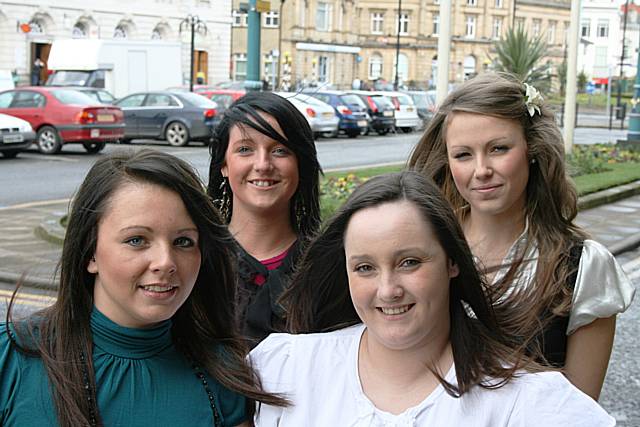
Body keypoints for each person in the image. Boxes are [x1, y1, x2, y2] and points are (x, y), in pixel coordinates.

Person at [250, 171, 614, 426]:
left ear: (452, 262)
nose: (388, 289)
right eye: (364, 268)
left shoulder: (528, 400)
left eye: (409, 262)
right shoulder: (284, 369)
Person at [1, 149, 286, 427]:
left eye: (183, 242)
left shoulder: (223, 374)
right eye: (137, 240)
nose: (165, 262)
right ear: (91, 253)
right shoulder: (11, 357)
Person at [408, 72, 635, 400]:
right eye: (463, 154)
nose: (481, 169)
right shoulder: (426, 247)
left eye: (498, 148)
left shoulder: (584, 267)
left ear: (532, 149)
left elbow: (579, 412)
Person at [208, 91, 321, 346]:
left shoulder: (328, 267)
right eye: (245, 149)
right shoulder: (199, 262)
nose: (263, 164)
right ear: (224, 165)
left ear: (301, 163)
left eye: (280, 150)